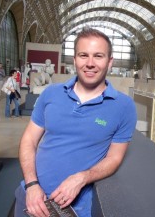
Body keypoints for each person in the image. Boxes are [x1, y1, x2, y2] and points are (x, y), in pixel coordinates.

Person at [14, 27, 137, 217]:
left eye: (98, 56)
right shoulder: (51, 93)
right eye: (83, 55)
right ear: (74, 60)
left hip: (73, 209)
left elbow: (114, 158)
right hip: (30, 198)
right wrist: (31, 184)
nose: (90, 63)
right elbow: (29, 140)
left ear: (109, 62)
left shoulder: (124, 106)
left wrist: (81, 178)